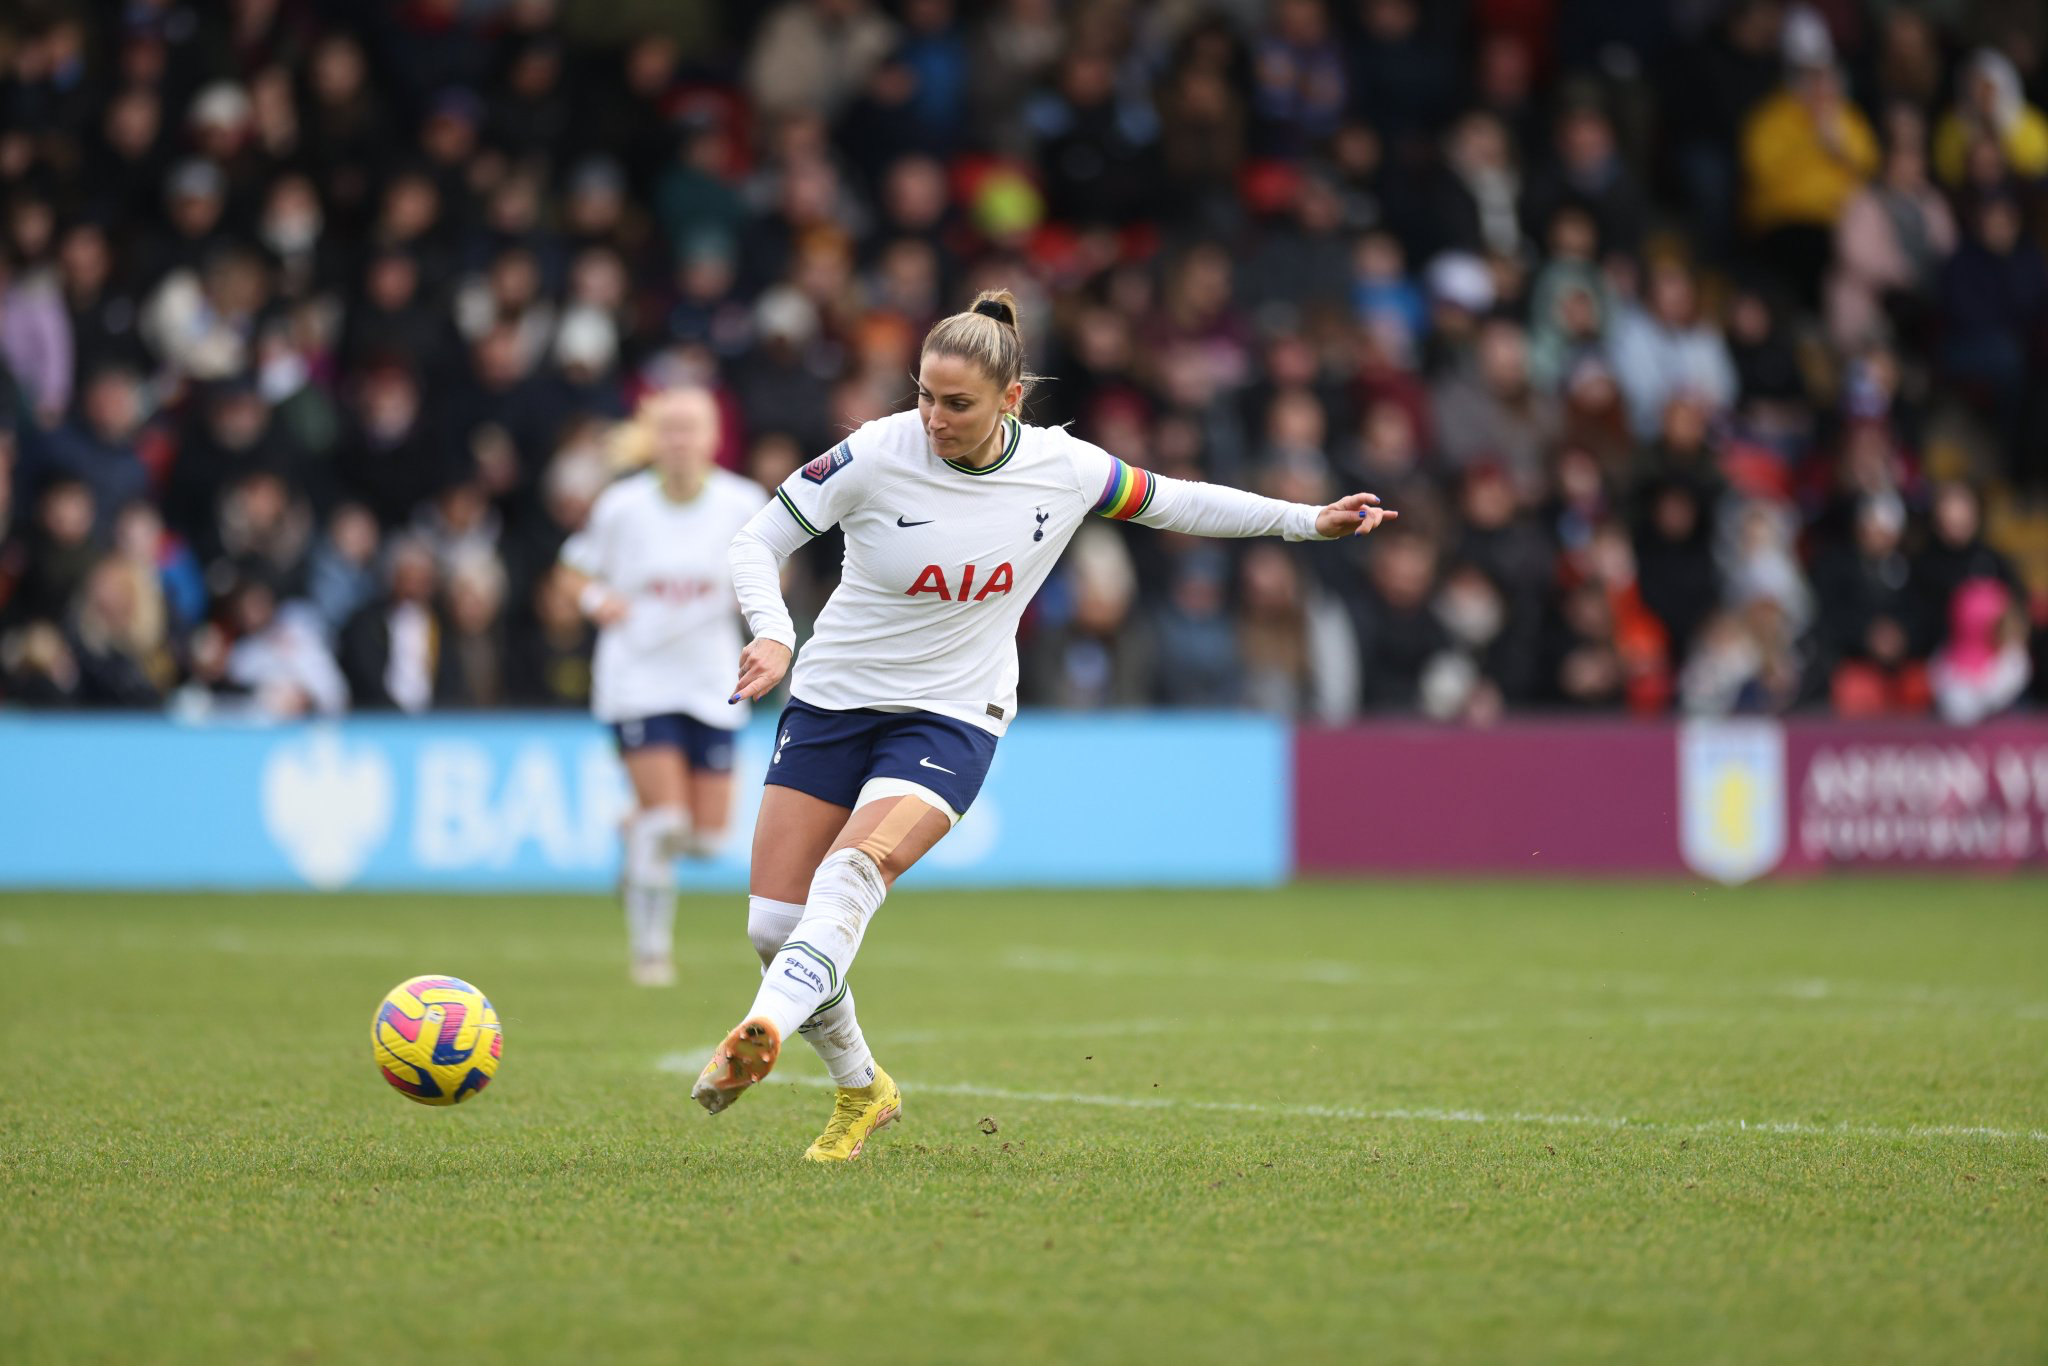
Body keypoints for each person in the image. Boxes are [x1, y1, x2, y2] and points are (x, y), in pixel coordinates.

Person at [693, 291, 1396, 1160]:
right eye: (925, 396)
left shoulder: (1064, 468)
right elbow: (755, 540)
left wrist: (1305, 522)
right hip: (833, 701)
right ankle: (862, 1088)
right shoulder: (875, 452)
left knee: (857, 867)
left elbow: (1177, 501)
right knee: (773, 928)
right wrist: (773, 631)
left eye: (958, 404)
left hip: (953, 713)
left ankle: (760, 1027)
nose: (934, 419)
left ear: (1011, 399)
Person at [556, 389, 764, 987]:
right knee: (666, 820)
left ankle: (633, 832)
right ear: (653, 438)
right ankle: (651, 954)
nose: (679, 440)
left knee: (707, 840)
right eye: (669, 429)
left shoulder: (741, 502)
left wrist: (755, 592)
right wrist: (597, 600)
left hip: (711, 681)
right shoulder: (622, 506)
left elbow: (776, 564)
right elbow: (571, 573)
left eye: (691, 428)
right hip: (638, 680)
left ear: (713, 437)